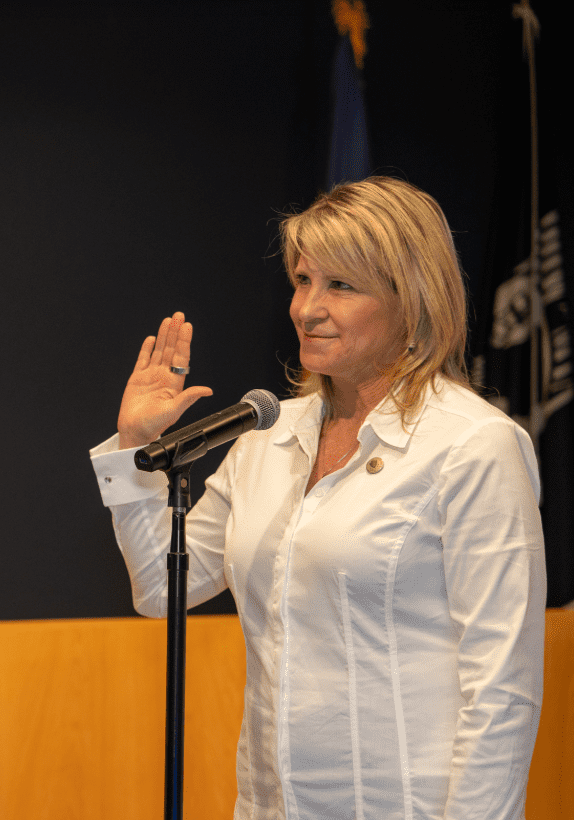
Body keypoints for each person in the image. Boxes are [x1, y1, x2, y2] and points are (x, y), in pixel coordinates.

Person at [90, 177, 545, 819]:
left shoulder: (473, 446)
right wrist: (135, 450)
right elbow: (162, 587)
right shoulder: (267, 435)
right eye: (304, 280)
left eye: (342, 286)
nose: (307, 308)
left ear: (411, 301)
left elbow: (503, 688)